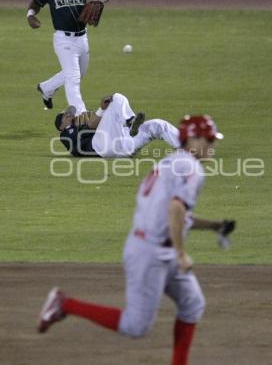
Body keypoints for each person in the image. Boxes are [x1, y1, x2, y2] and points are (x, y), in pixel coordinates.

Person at [37, 114, 236, 365]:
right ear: (191, 139)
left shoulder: (170, 162)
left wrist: (214, 226)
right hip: (150, 253)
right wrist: (181, 253)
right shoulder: (191, 168)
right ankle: (65, 305)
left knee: (193, 304)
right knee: (135, 326)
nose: (212, 145)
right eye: (207, 139)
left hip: (150, 245)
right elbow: (176, 209)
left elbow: (175, 213)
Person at [27, 0, 110, 114]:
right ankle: (81, 116)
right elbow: (35, 4)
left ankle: (46, 88)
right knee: (73, 79)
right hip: (63, 40)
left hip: (82, 38)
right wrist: (30, 15)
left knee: (78, 73)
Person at [54, 92, 180, 157]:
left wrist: (102, 111)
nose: (70, 115)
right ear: (61, 126)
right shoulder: (65, 135)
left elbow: (93, 126)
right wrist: (101, 110)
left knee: (158, 125)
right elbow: (88, 129)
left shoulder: (81, 125)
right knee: (117, 98)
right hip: (101, 148)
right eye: (66, 116)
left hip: (124, 145)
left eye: (70, 114)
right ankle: (130, 122)